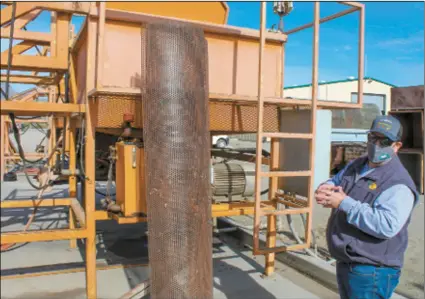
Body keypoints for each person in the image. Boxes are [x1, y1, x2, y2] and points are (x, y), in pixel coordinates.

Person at [315, 115, 419, 299]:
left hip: (372, 270)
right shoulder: (358, 164)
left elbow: (387, 226)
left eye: (384, 140)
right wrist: (327, 187)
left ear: (396, 146)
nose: (376, 144)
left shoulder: (398, 183)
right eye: (373, 137)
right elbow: (338, 179)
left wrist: (343, 202)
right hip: (348, 261)